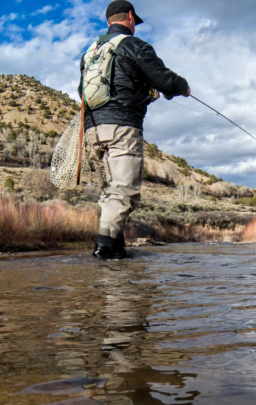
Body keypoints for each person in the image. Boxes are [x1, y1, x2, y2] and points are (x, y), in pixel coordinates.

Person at [79, 0, 191, 260]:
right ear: (130, 17)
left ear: (108, 22)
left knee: (110, 191)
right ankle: (104, 251)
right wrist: (183, 87)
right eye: (134, 21)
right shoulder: (133, 45)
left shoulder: (89, 54)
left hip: (93, 131)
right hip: (122, 128)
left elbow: (81, 92)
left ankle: (116, 250)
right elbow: (163, 79)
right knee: (123, 191)